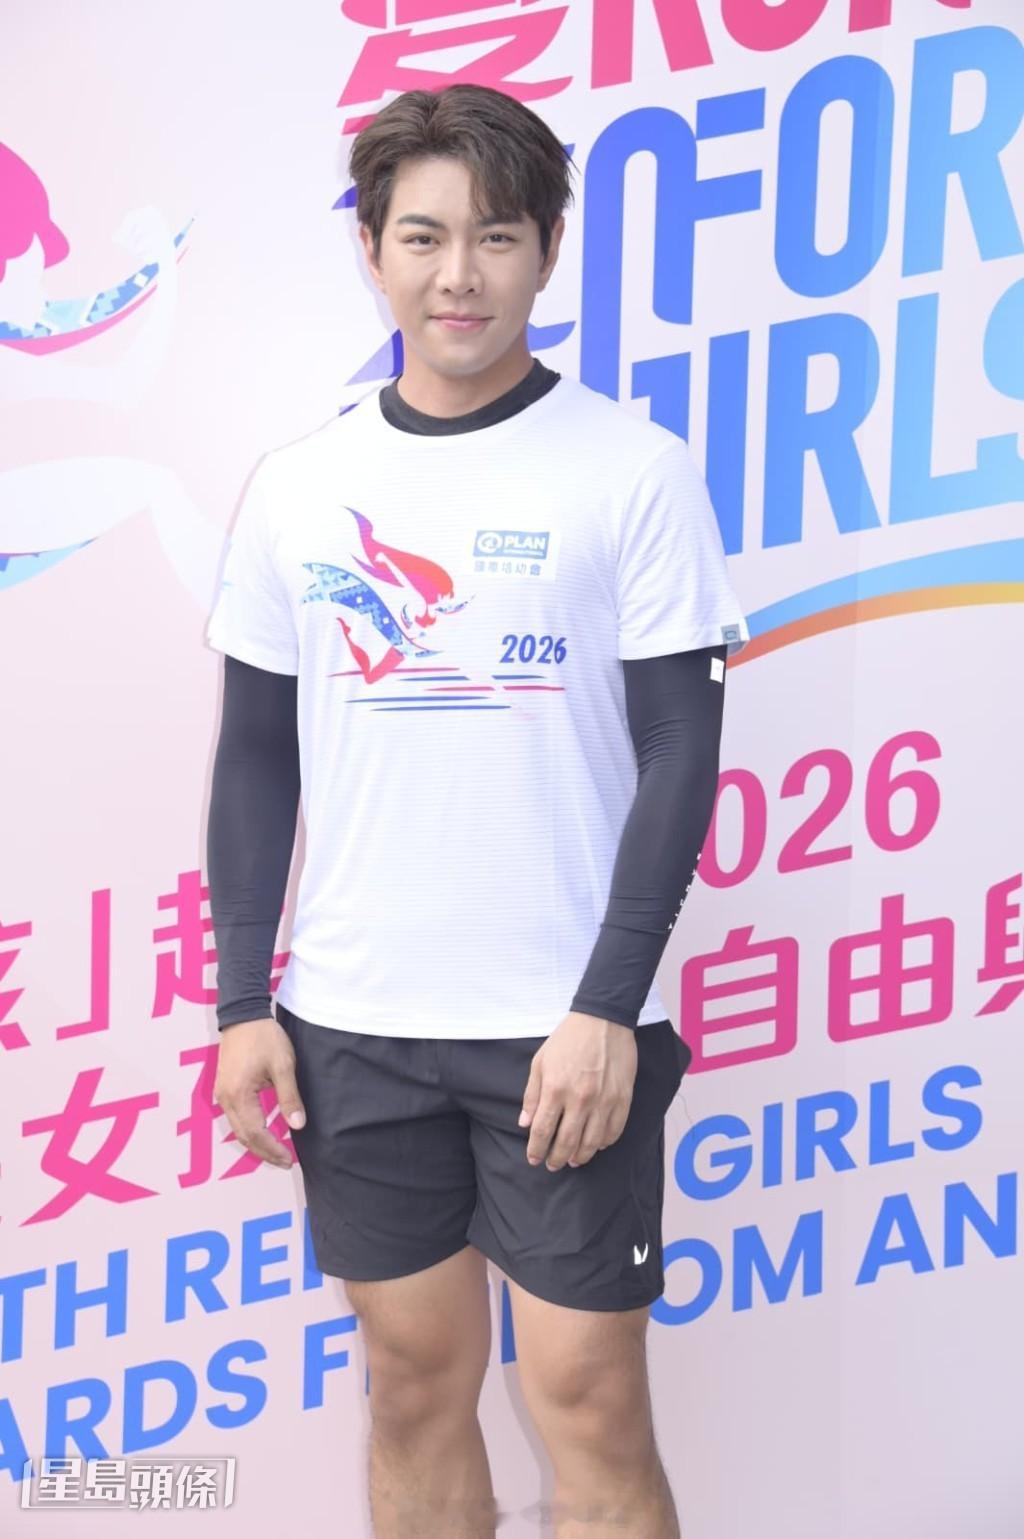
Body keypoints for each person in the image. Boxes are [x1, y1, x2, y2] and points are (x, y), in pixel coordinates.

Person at [205, 82, 749, 1539]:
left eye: (498, 237)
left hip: (560, 1023)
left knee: (589, 1399)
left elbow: (681, 749)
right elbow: (254, 759)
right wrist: (244, 1002)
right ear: (372, 249)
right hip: (353, 1025)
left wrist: (607, 1007)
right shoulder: (300, 488)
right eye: (425, 236)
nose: (461, 276)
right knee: (410, 1384)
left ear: (547, 251)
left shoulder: (631, 470)